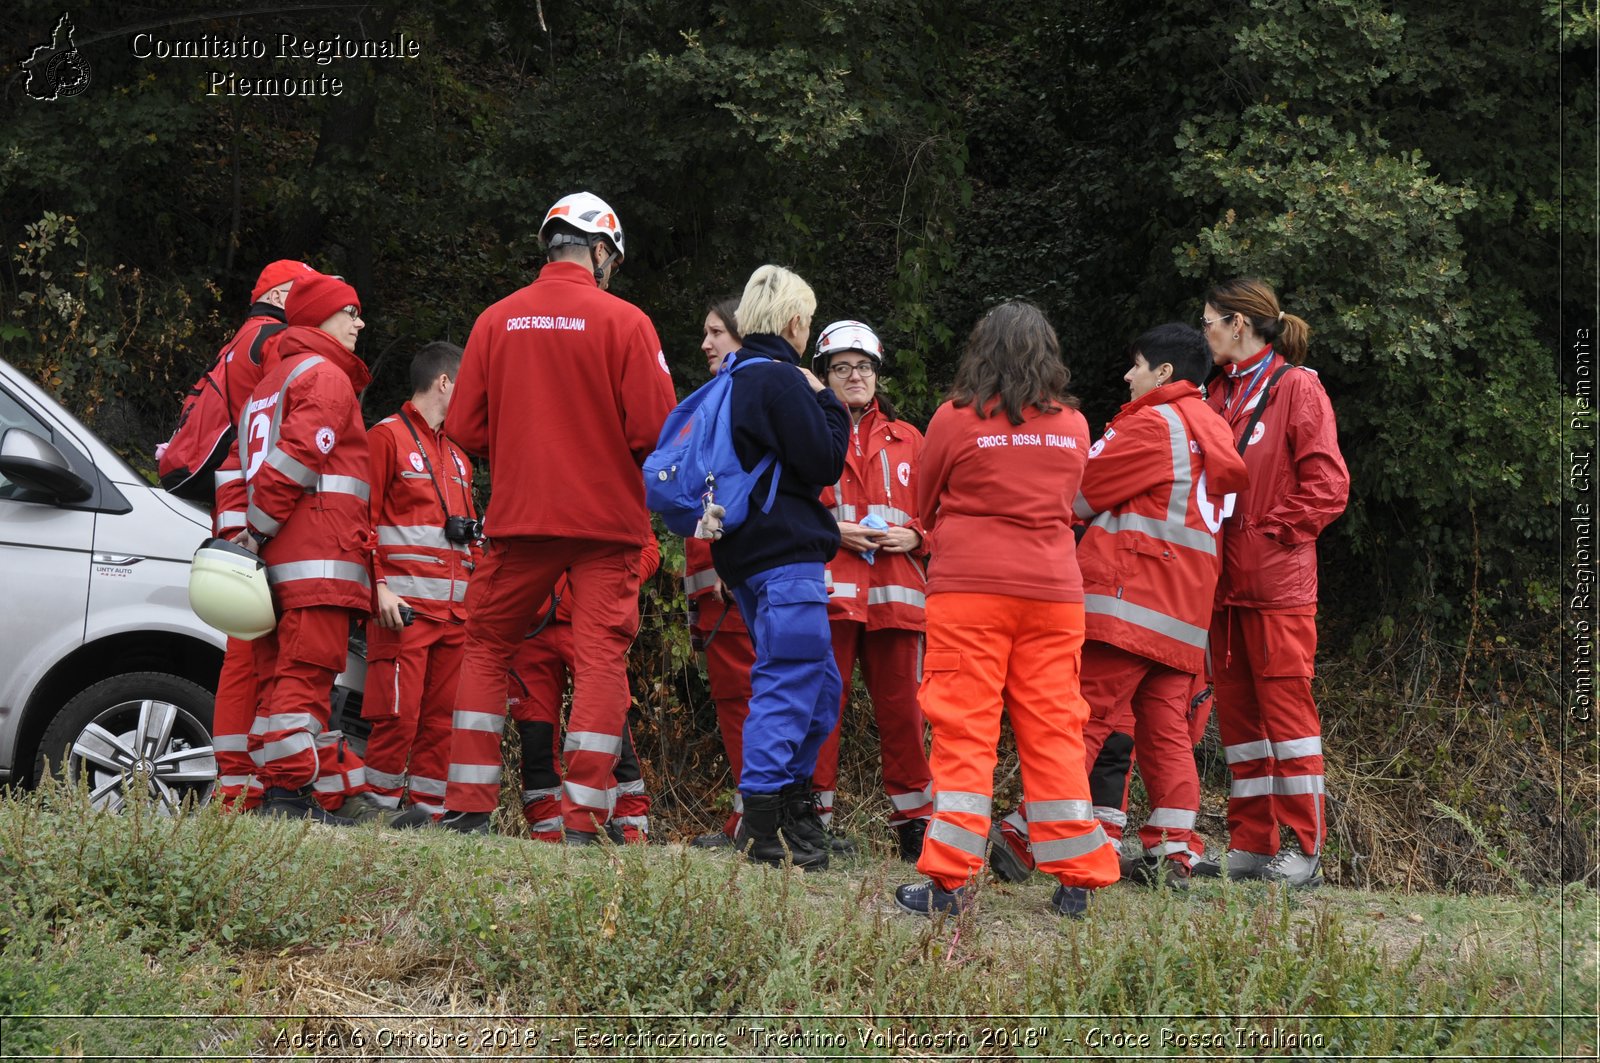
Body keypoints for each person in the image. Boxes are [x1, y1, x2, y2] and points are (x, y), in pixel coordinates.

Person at [412, 191, 676, 838]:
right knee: (599, 660)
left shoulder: (497, 321)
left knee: (484, 644)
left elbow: (467, 425)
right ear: (599, 251)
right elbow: (655, 429)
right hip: (606, 524)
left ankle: (467, 808)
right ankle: (585, 818)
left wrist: (526, 448)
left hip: (520, 517)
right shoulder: (628, 323)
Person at [895, 300, 1120, 919]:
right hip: (1053, 595)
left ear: (980, 351)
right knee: (1054, 731)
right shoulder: (1074, 425)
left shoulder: (953, 418)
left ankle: (950, 882)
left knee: (964, 732)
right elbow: (1072, 500)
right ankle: (1077, 878)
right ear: (1049, 355)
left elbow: (922, 498)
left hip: (969, 593)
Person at [1191, 278, 1348, 888]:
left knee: (1288, 717)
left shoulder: (1296, 387)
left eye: (1209, 321)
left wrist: (1268, 534)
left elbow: (1328, 487)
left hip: (1278, 588)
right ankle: (1253, 844)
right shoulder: (1213, 390)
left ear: (1238, 324)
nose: (1202, 331)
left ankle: (1304, 850)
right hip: (1219, 586)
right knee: (1238, 722)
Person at [709, 265, 849, 871]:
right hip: (784, 554)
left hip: (746, 555)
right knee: (791, 679)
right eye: (809, 320)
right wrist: (829, 400)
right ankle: (763, 826)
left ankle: (790, 812)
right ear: (795, 321)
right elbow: (823, 462)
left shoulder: (730, 378)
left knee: (820, 689)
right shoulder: (781, 379)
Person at [234, 272, 373, 824]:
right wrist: (258, 527)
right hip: (317, 559)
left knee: (276, 679)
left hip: (273, 568)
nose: (360, 323)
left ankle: (278, 793)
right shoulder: (328, 378)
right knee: (306, 677)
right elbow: (296, 461)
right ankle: (291, 798)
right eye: (351, 312)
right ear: (319, 318)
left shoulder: (266, 385)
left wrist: (251, 538)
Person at [810, 319, 933, 862]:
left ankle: (915, 826)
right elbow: (787, 502)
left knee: (905, 713)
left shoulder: (911, 439)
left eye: (863, 367)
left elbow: (944, 512)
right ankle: (814, 820)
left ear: (877, 374)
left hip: (897, 597)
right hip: (830, 593)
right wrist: (831, 529)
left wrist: (919, 534)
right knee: (820, 710)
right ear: (825, 376)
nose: (854, 376)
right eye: (842, 368)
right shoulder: (809, 432)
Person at [203, 259, 316, 811]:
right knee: (256, 655)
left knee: (242, 651)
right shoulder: (274, 341)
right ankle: (254, 785)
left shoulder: (237, 343)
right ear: (279, 294)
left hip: (236, 508)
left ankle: (238, 785)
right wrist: (259, 526)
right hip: (256, 518)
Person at [357, 341, 479, 823]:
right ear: (446, 382)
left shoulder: (459, 458)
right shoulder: (385, 438)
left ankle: (429, 818)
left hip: (456, 616)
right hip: (403, 609)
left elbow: (469, 538)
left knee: (442, 721)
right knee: (396, 717)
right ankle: (377, 814)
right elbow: (360, 520)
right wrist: (377, 587)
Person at [508, 538, 659, 842]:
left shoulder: (609, 490)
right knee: (534, 731)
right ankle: (547, 832)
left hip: (588, 622)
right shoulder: (522, 490)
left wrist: (618, 584)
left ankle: (630, 826)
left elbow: (647, 547)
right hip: (528, 626)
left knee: (609, 720)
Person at [684, 296, 760, 849]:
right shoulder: (728, 394)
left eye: (716, 332)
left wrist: (728, 567)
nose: (706, 343)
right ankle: (754, 816)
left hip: (735, 587)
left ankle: (757, 820)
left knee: (748, 704)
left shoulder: (737, 396)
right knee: (742, 705)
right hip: (721, 590)